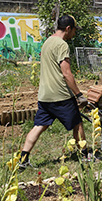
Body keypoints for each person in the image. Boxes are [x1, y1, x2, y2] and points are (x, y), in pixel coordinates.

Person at [19, 15, 89, 168]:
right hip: (60, 95)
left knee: (39, 126)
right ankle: (85, 156)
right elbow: (66, 73)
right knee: (77, 124)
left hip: (45, 95)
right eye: (74, 30)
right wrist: (79, 95)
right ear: (68, 28)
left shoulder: (47, 42)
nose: (75, 34)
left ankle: (23, 160)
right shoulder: (62, 45)